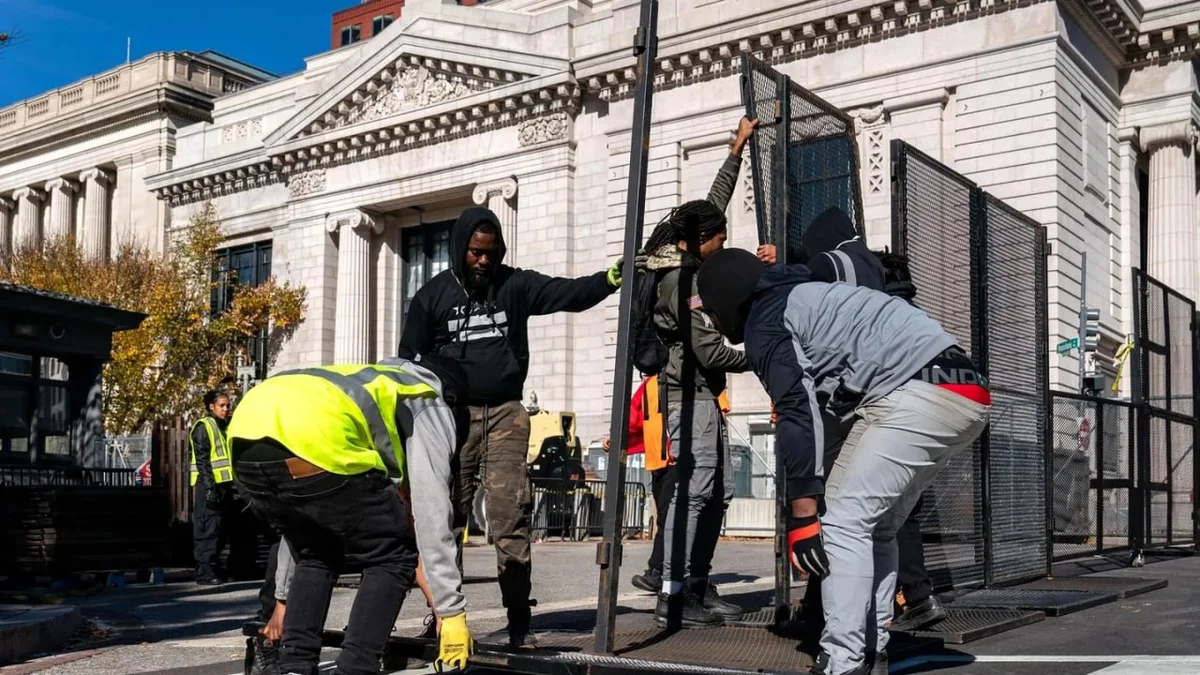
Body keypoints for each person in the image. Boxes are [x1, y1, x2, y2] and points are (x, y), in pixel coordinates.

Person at [695, 248, 991, 675]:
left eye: (711, 312)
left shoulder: (766, 321)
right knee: (879, 526)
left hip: (917, 390)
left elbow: (799, 412)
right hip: (968, 391)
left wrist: (803, 514)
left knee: (841, 522)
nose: (713, 323)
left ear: (726, 297)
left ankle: (843, 662)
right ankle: (874, 650)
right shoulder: (808, 295)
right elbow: (830, 404)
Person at [398, 204, 623, 647]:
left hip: (505, 412)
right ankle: (444, 616)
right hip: (452, 417)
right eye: (476, 253)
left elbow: (569, 293)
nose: (484, 261)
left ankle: (520, 622)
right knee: (446, 517)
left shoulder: (514, 285)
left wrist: (612, 278)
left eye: (491, 252)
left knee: (508, 514)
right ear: (461, 248)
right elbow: (407, 363)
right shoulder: (431, 296)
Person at [227, 356, 474, 675]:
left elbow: (296, 537)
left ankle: (294, 667)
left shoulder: (362, 380)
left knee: (315, 552)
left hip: (245, 437)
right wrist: (450, 611)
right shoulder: (425, 396)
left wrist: (283, 599)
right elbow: (431, 505)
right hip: (314, 444)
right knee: (393, 556)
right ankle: (356, 668)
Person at [637, 116, 759, 628]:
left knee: (719, 491)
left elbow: (712, 206)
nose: (723, 246)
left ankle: (696, 581)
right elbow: (713, 353)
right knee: (696, 488)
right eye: (720, 239)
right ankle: (673, 589)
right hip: (687, 394)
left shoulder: (689, 253)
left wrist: (736, 152)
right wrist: (762, 353)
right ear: (701, 241)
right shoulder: (682, 280)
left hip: (702, 395)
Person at [190, 389, 234, 585]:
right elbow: (203, 461)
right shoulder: (203, 427)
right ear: (211, 407)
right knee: (207, 529)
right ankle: (205, 572)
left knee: (219, 530)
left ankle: (214, 569)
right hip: (208, 485)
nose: (226, 409)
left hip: (222, 486)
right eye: (222, 406)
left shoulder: (223, 426)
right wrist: (209, 488)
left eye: (227, 405)